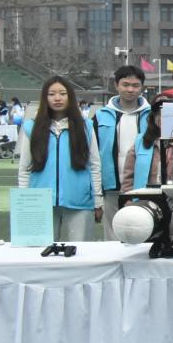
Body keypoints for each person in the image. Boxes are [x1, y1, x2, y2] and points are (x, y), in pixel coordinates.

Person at [17, 76, 102, 241]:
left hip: (79, 201)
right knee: (41, 250)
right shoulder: (31, 127)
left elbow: (94, 165)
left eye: (62, 93)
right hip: (40, 202)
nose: (57, 98)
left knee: (81, 251)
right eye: (52, 94)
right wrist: (24, 201)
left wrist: (98, 201)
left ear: (70, 97)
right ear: (45, 98)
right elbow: (25, 169)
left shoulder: (85, 126)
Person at [93, 65, 150, 240]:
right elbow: (93, 153)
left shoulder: (151, 116)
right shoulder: (100, 116)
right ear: (116, 85)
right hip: (111, 185)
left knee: (145, 230)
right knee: (112, 234)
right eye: (125, 85)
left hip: (144, 185)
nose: (130, 90)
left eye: (135, 85)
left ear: (142, 87)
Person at [122, 95, 173, 192]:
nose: (162, 118)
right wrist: (128, 198)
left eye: (167, 114)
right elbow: (128, 177)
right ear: (153, 117)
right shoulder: (140, 141)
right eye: (158, 114)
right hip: (145, 197)